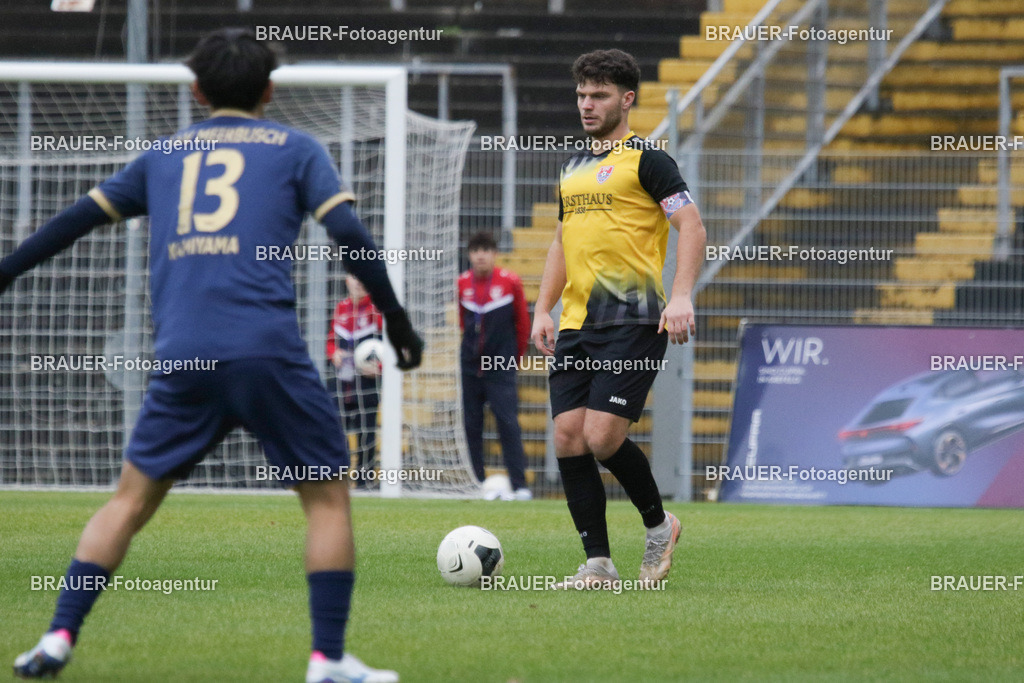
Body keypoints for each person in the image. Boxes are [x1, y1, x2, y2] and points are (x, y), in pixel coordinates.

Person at [5, 28, 422, 683]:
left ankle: (57, 635)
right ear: (270, 90)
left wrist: (5, 271)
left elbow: (73, 222)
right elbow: (347, 232)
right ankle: (328, 659)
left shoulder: (164, 156)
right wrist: (396, 321)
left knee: (129, 500)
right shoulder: (296, 148)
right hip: (268, 354)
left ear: (196, 89)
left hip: (185, 357)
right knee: (327, 499)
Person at [530, 49, 706, 588]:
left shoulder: (649, 160)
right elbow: (562, 241)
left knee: (602, 437)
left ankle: (660, 526)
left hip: (633, 318)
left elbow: (693, 227)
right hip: (578, 322)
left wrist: (681, 297)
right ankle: (598, 564)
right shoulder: (573, 166)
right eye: (582, 94)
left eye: (599, 95)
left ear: (626, 99)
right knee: (567, 437)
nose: (587, 104)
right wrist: (542, 307)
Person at [457, 231, 531, 500]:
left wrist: (514, 359)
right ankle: (477, 482)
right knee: (471, 424)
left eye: (486, 249)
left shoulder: (510, 282)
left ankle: (520, 485)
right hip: (469, 368)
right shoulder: (462, 284)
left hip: (501, 367)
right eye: (476, 250)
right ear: (469, 254)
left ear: (495, 253)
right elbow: (462, 322)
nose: (480, 255)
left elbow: (522, 324)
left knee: (508, 423)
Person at [327, 274, 383, 488]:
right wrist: (333, 353)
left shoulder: (377, 310)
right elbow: (331, 340)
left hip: (367, 384)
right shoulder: (341, 307)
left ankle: (364, 482)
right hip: (342, 381)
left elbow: (388, 346)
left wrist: (378, 367)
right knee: (335, 430)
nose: (359, 282)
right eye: (354, 277)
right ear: (346, 280)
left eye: (363, 277)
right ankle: (337, 479)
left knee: (366, 433)